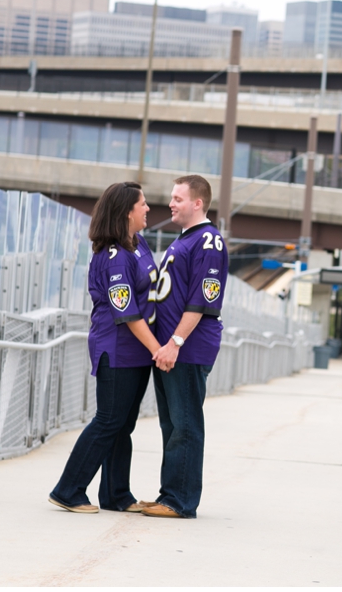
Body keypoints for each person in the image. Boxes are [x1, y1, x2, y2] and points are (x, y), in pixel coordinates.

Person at [49, 182, 164, 514]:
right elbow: (126, 313)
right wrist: (158, 348)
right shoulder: (114, 257)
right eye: (142, 204)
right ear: (127, 211)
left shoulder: (139, 245)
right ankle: (68, 489)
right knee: (108, 420)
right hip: (117, 349)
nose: (147, 209)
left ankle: (116, 494)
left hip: (139, 351)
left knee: (123, 425)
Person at [142, 175, 229, 519]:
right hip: (169, 349)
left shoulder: (209, 241)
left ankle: (181, 500)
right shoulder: (186, 239)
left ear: (197, 203)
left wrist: (176, 342)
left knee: (186, 424)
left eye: (178, 198)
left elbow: (201, 301)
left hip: (186, 350)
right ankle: (169, 493)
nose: (171, 204)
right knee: (171, 425)